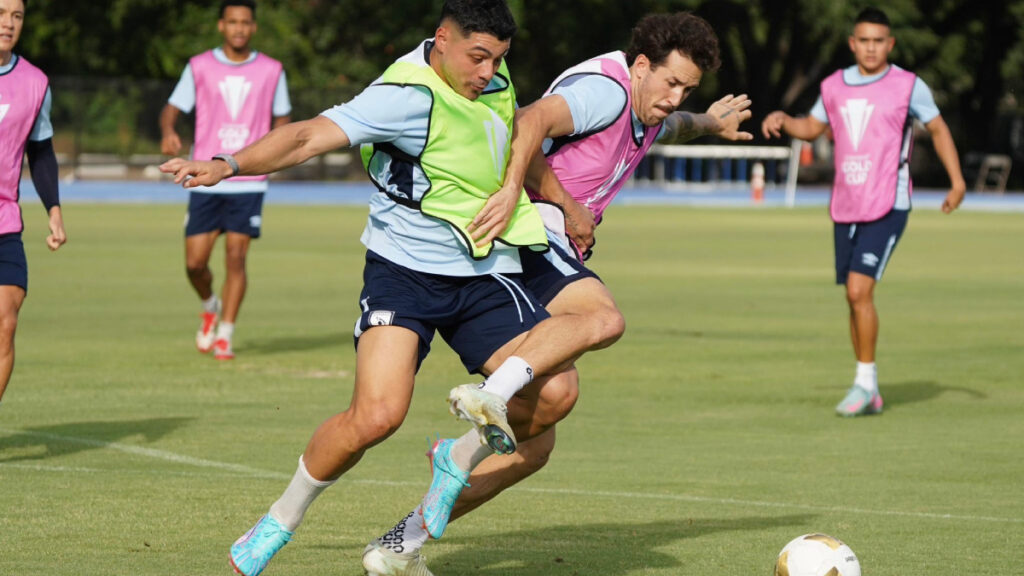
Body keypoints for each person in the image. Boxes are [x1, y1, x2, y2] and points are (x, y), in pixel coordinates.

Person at [162, 2, 609, 574]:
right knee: (376, 416)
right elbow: (304, 137)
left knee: (555, 394)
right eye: (477, 56)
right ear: (442, 39)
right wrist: (228, 163)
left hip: (483, 271)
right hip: (404, 275)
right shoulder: (405, 95)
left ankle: (455, 459)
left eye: (498, 59)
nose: (487, 72)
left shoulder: (493, 81)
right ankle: (280, 519)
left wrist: (566, 204)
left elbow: (515, 148)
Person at [361, 12, 754, 576]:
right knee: (603, 317)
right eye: (671, 83)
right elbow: (527, 120)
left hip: (553, 243)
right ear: (641, 65)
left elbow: (667, 125)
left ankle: (401, 544)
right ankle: (485, 401)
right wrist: (539, 200)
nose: (676, 96)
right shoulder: (603, 90)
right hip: (535, 234)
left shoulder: (645, 106)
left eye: (688, 89)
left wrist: (707, 122)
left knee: (532, 447)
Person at [761, 7, 966, 417]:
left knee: (859, 291)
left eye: (879, 41)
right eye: (864, 40)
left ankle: (865, 384)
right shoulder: (834, 86)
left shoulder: (909, 86)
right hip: (846, 204)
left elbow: (939, 129)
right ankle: (866, 386)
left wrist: (957, 181)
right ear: (853, 43)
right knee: (853, 298)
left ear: (890, 44)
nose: (871, 48)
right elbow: (813, 128)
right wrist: (785, 119)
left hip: (889, 202)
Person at [159, 0, 291, 360]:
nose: (239, 28)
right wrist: (169, 130)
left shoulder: (271, 70)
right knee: (195, 264)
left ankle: (226, 334)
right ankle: (209, 304)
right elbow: (172, 108)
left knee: (236, 258)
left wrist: (273, 154)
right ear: (221, 25)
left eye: (245, 22)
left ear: (254, 27)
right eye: (232, 22)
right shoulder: (200, 66)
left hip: (248, 178)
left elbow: (283, 120)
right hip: (205, 177)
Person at [0, 0, 67, 404]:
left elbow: (40, 152)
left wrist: (54, 210)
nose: (7, 24)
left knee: (5, 322)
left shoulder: (35, 82)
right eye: (0, 13)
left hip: (4, 221)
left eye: (16, 15)